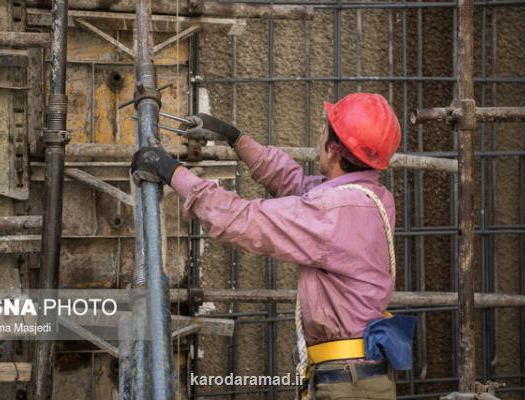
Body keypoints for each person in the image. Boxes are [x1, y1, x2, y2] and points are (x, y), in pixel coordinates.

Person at [131, 93, 405, 399]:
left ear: (333, 148)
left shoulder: (334, 212)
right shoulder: (370, 198)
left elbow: (243, 220)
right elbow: (295, 184)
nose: (320, 135)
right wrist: (234, 137)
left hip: (348, 384)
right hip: (357, 376)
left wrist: (172, 172)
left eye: (324, 129)